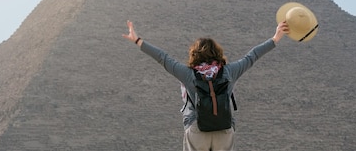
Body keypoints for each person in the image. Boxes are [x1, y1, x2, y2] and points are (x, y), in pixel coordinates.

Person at [122, 19, 290, 151]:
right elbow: (252, 56)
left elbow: (163, 58)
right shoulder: (229, 72)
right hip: (224, 129)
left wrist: (137, 40)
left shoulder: (188, 74)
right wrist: (275, 38)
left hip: (197, 129)